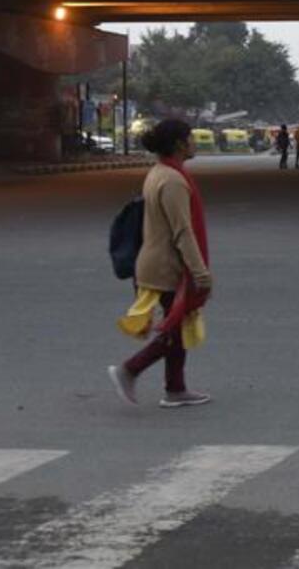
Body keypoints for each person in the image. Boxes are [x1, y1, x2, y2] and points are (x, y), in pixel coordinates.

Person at [108, 118, 213, 409]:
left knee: (178, 325)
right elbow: (182, 232)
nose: (194, 142)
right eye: (190, 137)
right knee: (175, 330)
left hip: (157, 261)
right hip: (165, 266)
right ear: (179, 143)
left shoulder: (161, 173)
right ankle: (129, 370)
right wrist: (200, 273)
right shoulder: (173, 180)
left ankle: (176, 389)